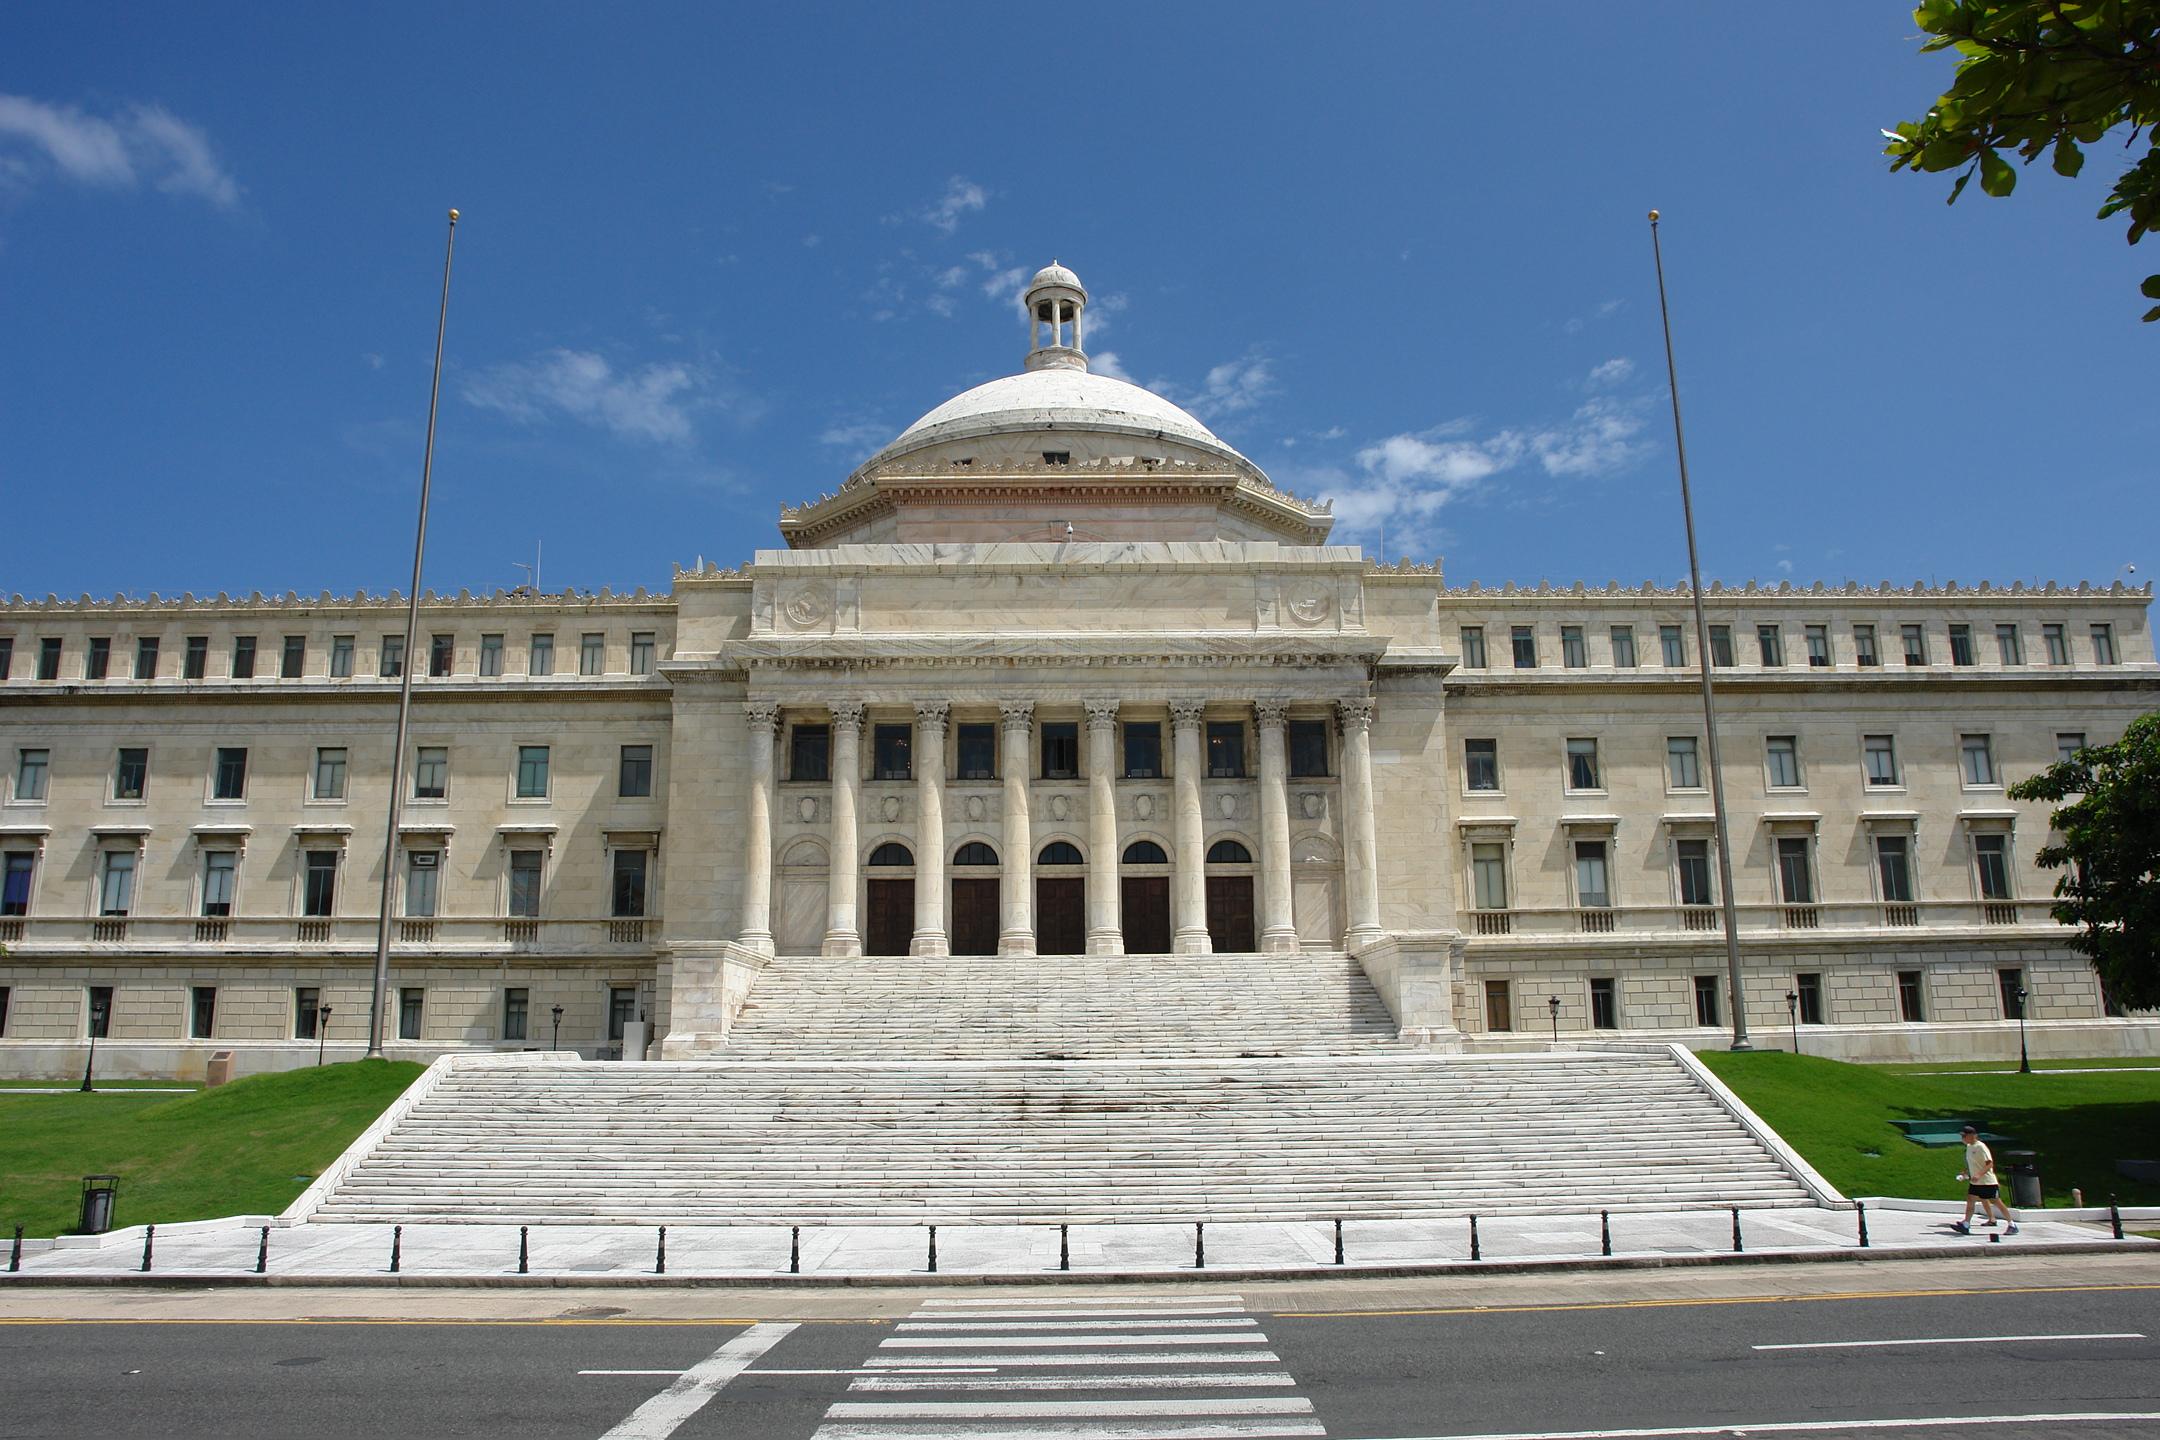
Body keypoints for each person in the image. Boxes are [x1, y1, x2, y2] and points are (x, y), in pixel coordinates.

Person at [1949, 1124, 2018, 1235]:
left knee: (1996, 1202)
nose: (1963, 1138)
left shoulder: (1981, 1147)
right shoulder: (1969, 1147)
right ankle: (1966, 1224)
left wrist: (1979, 1175)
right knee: (1970, 1200)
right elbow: (1973, 1163)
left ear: (1972, 1135)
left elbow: (1989, 1164)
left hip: (1987, 1181)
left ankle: (2012, 1224)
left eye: (1964, 1136)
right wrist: (1966, 1172)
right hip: (1975, 1183)